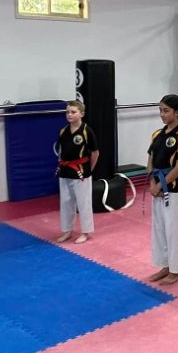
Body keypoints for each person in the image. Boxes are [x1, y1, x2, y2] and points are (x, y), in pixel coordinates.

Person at [148, 94, 178, 285]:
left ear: (177, 112)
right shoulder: (158, 134)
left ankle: (176, 270)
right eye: (160, 110)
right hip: (157, 187)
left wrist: (160, 184)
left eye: (166, 111)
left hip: (176, 189)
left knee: (175, 231)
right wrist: (151, 182)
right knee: (160, 229)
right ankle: (165, 265)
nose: (162, 114)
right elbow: (150, 159)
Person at [56, 100, 100, 245]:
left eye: (73, 112)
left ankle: (85, 232)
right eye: (67, 112)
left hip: (81, 172)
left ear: (81, 113)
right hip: (65, 171)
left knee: (83, 203)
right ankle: (67, 230)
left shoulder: (87, 131)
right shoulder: (63, 131)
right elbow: (62, 152)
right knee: (66, 202)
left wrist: (89, 169)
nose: (69, 114)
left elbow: (95, 153)